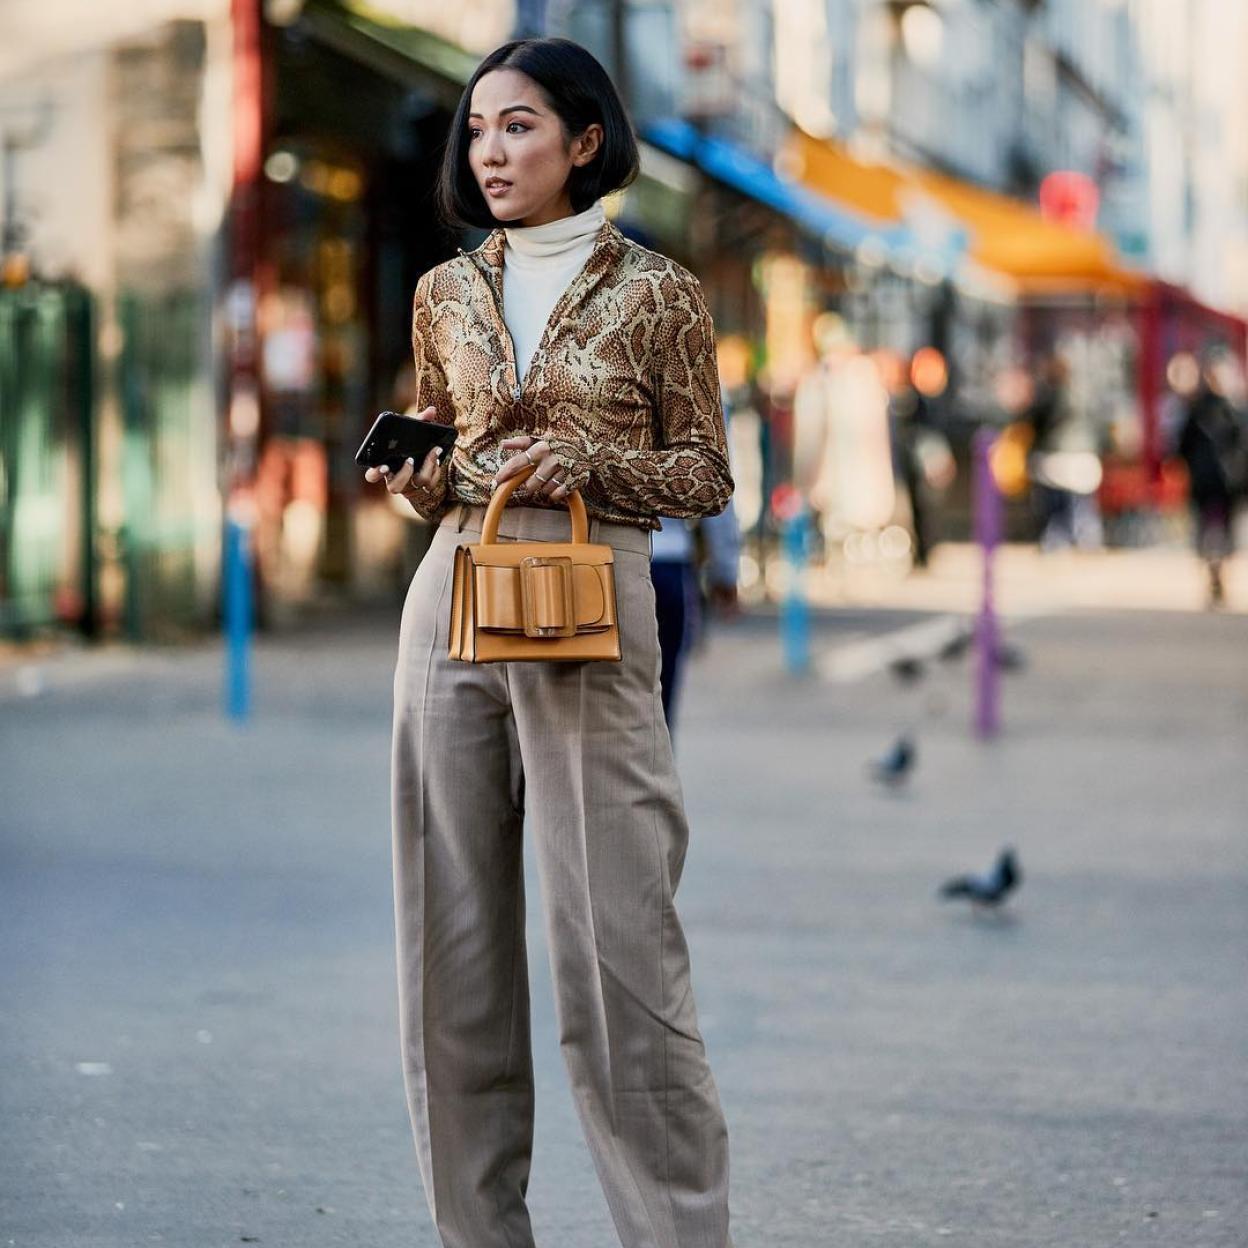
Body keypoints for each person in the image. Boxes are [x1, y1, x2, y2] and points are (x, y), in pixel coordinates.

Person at [362, 37, 736, 1248]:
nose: (490, 151)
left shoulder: (658, 293)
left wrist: (590, 464)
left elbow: (706, 473)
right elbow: (443, 447)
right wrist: (419, 480)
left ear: (586, 140)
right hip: (453, 586)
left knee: (621, 948)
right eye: (477, 131)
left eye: (518, 126)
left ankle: (674, 1231)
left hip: (589, 583)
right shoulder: (444, 293)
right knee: (450, 945)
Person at [1177, 350, 1244, 607]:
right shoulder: (1232, 411)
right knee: (1218, 529)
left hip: (1217, 481)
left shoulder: (1203, 410)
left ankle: (1215, 568)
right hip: (1220, 480)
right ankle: (1215, 568)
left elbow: (1182, 445)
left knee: (1212, 528)